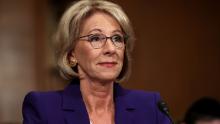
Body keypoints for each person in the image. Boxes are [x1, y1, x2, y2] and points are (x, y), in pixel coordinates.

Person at [22, 0, 171, 124]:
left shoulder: (150, 107)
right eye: (95, 38)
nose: (111, 49)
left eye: (117, 38)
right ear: (71, 54)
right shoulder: (43, 108)